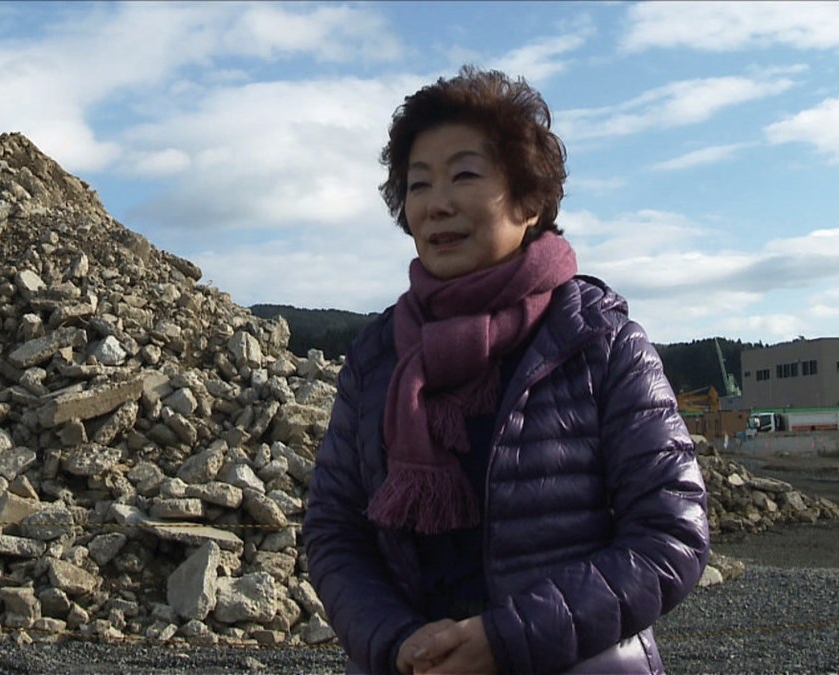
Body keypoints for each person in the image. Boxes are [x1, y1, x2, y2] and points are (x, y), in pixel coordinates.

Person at [302, 66, 711, 674]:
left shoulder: (599, 341)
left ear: (531, 201)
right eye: (419, 183)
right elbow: (335, 530)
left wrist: (506, 640)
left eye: (465, 175)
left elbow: (670, 534)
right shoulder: (378, 356)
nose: (437, 203)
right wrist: (395, 642)